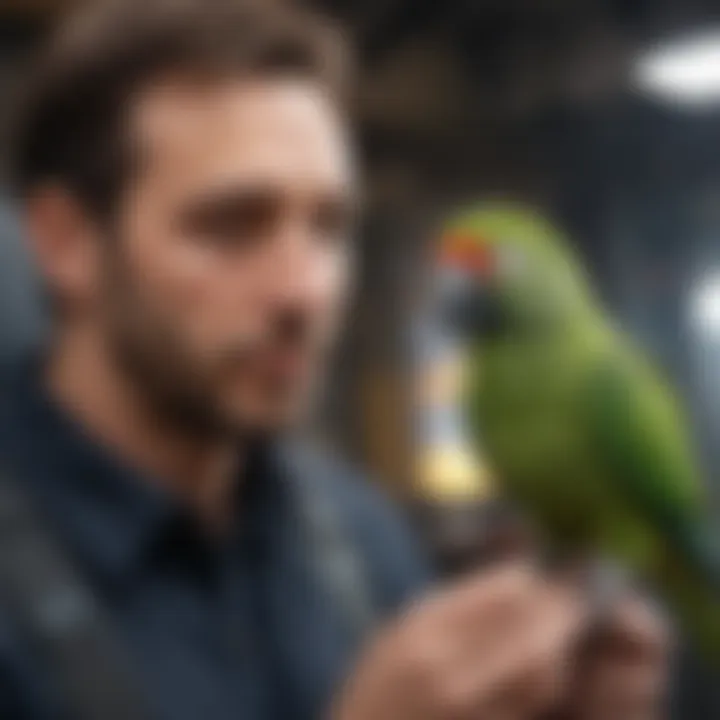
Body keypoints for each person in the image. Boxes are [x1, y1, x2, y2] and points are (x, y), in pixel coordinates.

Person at [0, 0, 668, 718]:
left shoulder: (359, 536)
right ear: (66, 243)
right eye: (231, 224)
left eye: (329, 228)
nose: (305, 290)